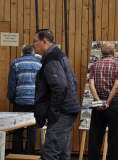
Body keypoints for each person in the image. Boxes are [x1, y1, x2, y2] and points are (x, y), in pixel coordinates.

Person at [32, 29, 81, 160]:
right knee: (63, 154)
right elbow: (73, 81)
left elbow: (60, 86)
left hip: (62, 113)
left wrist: (54, 111)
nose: (32, 44)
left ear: (44, 41)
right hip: (67, 111)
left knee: (49, 154)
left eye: (34, 41)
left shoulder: (51, 57)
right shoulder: (59, 54)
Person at [88, 42, 118, 160]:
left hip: (98, 100)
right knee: (113, 137)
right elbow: (116, 86)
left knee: (95, 136)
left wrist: (98, 100)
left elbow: (91, 84)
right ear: (114, 52)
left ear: (102, 53)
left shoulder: (94, 65)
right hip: (113, 102)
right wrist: (108, 102)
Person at [7, 45, 42, 155]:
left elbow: (12, 84)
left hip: (19, 102)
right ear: (33, 53)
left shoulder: (16, 63)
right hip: (34, 103)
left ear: (22, 52)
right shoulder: (39, 64)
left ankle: (16, 155)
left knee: (18, 130)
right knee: (32, 131)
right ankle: (30, 155)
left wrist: (12, 99)